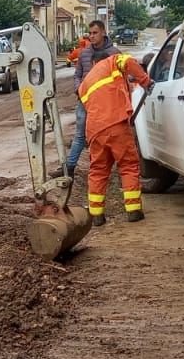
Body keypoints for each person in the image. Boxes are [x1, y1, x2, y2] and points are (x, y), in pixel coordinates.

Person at [76, 44, 153, 225]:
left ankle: (96, 215)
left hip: (95, 131)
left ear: (94, 62)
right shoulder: (111, 62)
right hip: (116, 124)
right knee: (127, 165)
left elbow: (90, 105)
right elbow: (128, 61)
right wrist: (145, 81)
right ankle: (133, 210)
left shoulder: (84, 84)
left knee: (98, 171)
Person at [65, 21, 115, 175]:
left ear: (103, 33)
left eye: (95, 33)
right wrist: (79, 90)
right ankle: (69, 168)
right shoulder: (84, 53)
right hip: (84, 102)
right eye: (90, 33)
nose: (91, 36)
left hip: (106, 104)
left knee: (104, 136)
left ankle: (104, 169)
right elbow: (77, 75)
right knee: (80, 135)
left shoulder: (114, 54)